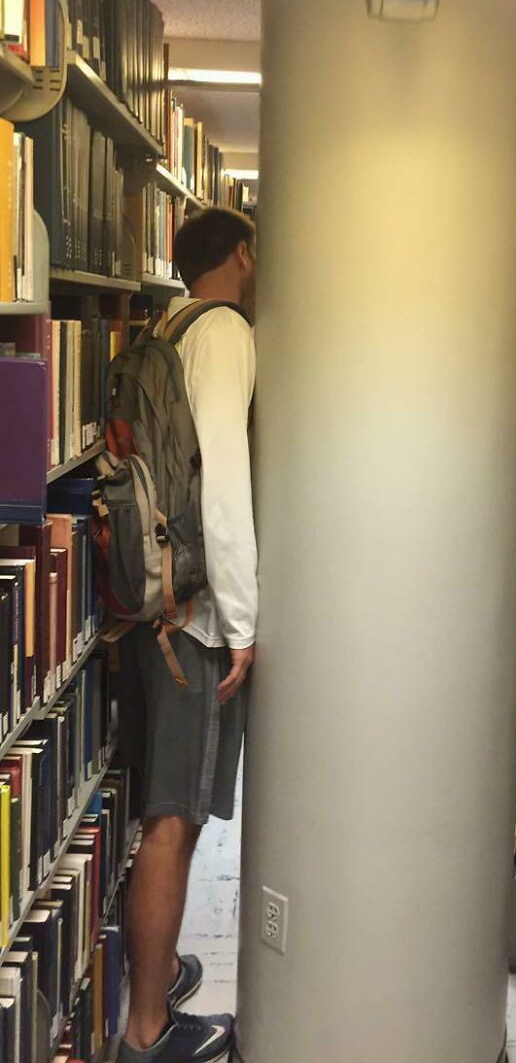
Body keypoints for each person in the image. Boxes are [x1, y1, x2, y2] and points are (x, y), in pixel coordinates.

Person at [117, 208, 258, 1063]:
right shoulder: (226, 330)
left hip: (147, 600)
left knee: (163, 807)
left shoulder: (163, 325)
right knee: (175, 817)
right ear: (243, 255)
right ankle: (146, 1030)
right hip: (195, 619)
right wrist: (242, 622)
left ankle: (159, 969)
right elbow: (225, 483)